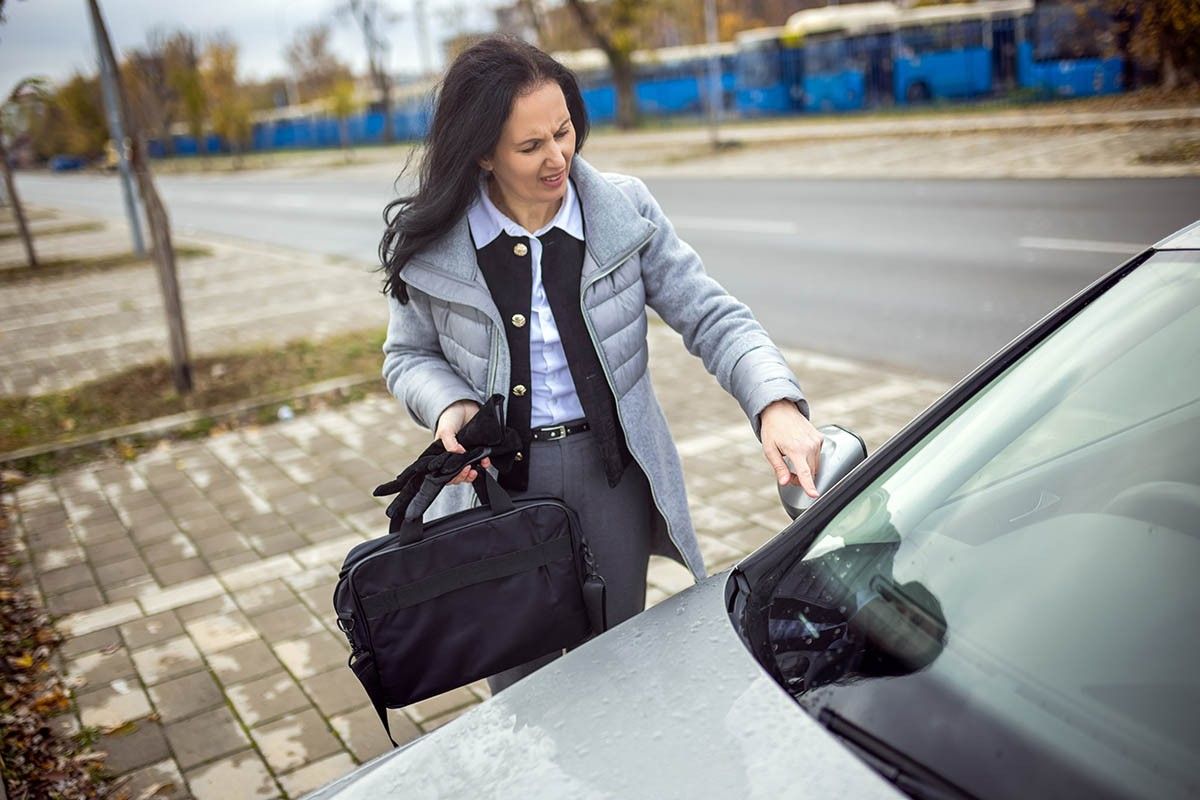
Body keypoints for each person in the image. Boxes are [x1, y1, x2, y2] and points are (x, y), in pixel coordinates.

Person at [378, 36, 823, 694]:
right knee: (522, 691)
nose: (557, 156)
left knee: (620, 673)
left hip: (611, 478)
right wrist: (452, 406)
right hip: (498, 494)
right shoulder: (436, 241)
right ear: (482, 152)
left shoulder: (624, 211)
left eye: (563, 132)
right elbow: (407, 355)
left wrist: (775, 405)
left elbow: (711, 314)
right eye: (530, 147)